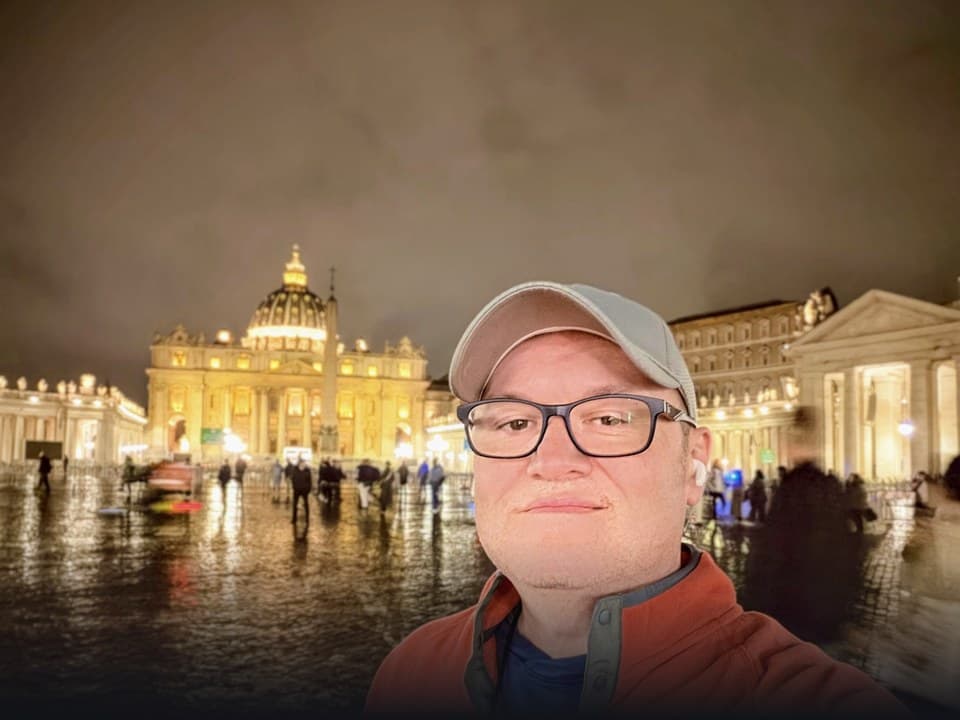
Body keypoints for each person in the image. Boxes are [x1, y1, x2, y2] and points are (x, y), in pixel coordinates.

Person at [366, 281, 905, 715]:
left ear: (694, 465)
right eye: (512, 421)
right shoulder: (407, 675)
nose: (552, 461)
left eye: (609, 418)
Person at [291, 456, 312, 524]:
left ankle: (307, 519)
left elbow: (310, 481)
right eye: (301, 463)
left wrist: (308, 489)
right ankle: (294, 519)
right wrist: (294, 487)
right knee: (295, 505)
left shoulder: (307, 470)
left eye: (303, 463)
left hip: (304, 490)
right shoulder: (295, 470)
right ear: (299, 463)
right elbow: (293, 479)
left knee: (306, 504)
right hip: (297, 490)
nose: (303, 464)